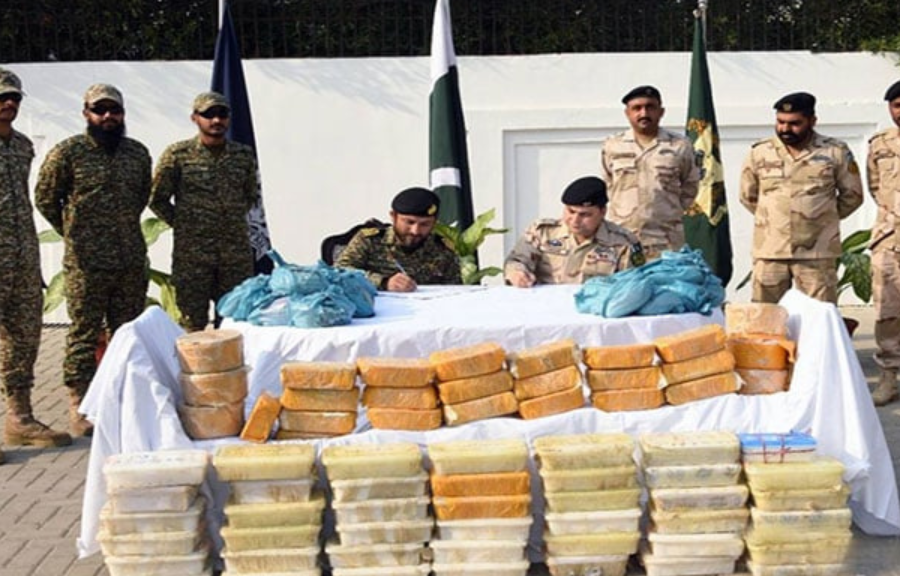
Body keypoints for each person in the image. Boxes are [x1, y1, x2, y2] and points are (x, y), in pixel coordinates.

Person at [35, 83, 150, 438]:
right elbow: (45, 198)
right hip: (86, 264)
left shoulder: (137, 153)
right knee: (84, 334)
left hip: (129, 260)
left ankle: (123, 400)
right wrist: (74, 231)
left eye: (114, 110)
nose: (107, 116)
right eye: (99, 110)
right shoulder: (68, 153)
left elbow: (142, 196)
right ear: (86, 113)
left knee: (127, 334)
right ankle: (79, 404)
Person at [0, 69, 71, 454]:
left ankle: (20, 419)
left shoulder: (23, 146)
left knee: (24, 337)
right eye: (2, 97)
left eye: (14, 97)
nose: (8, 103)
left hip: (23, 258)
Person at [740, 92, 864, 305]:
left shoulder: (835, 151)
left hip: (816, 252)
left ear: (812, 121)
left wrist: (820, 218)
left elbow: (852, 195)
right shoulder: (760, 152)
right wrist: (775, 218)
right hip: (771, 249)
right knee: (765, 314)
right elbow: (748, 195)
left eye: (794, 123)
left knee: (819, 314)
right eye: (780, 122)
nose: (785, 129)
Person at [150, 92, 257, 331]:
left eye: (222, 114)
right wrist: (185, 224)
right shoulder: (178, 155)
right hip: (193, 257)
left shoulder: (243, 155)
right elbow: (157, 199)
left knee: (235, 324)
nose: (216, 120)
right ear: (195, 118)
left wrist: (228, 219)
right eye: (208, 115)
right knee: (192, 326)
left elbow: (250, 195)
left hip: (234, 256)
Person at [600, 85, 700, 261]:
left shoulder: (680, 146)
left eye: (650, 107)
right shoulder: (613, 145)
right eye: (637, 108)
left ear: (661, 112)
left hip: (666, 239)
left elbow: (690, 186)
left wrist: (666, 212)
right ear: (627, 113)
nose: (644, 113)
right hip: (622, 238)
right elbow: (608, 183)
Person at [504, 176, 644, 287]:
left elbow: (633, 285)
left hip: (593, 309)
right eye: (570, 211)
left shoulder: (624, 243)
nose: (575, 220)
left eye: (585, 215)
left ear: (602, 212)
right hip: (546, 306)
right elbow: (516, 260)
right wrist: (517, 272)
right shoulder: (542, 233)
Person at [335, 187, 461, 291]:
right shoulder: (370, 240)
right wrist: (383, 282)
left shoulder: (443, 249)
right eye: (409, 222)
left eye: (425, 224)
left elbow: (455, 289)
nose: (415, 231)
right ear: (393, 216)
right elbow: (339, 271)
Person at [867, 80, 900, 406]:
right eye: (896, 105)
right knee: (887, 311)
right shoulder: (879, 145)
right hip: (889, 240)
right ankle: (889, 377)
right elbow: (875, 187)